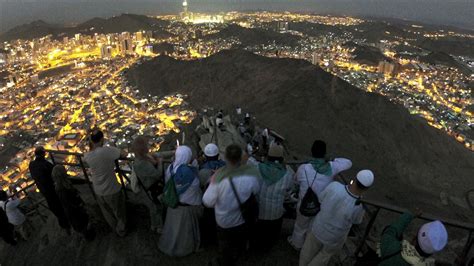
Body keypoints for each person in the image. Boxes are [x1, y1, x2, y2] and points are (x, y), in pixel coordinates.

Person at [299, 170, 374, 266]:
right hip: (334, 238)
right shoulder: (359, 206)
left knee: (308, 250)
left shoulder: (334, 186)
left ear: (355, 179)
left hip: (319, 227)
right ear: (366, 189)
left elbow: (320, 199)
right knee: (324, 256)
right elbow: (356, 221)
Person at [288, 140, 352, 250]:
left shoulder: (303, 168)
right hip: (319, 205)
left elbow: (296, 181)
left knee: (300, 225)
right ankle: (306, 247)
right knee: (312, 227)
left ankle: (296, 243)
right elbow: (348, 162)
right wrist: (331, 159)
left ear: (312, 152)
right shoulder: (331, 167)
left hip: (304, 203)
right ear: (324, 153)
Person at [203, 144, 260, 266]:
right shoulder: (250, 176)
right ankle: (238, 255)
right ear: (240, 159)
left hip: (224, 221)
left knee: (225, 246)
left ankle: (226, 261)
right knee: (238, 241)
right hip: (241, 219)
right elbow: (255, 190)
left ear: (225, 158)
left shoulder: (218, 178)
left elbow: (207, 201)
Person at [158, 145, 203, 257]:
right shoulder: (191, 174)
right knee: (186, 234)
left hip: (173, 205)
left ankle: (168, 245)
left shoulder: (170, 168)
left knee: (172, 231)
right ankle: (186, 249)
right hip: (187, 208)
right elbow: (196, 187)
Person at [84, 129, 127, 237]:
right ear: (102, 139)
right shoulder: (107, 151)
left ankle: (114, 230)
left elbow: (91, 151)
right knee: (119, 212)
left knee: (108, 214)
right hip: (111, 189)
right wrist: (115, 147)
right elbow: (124, 154)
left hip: (98, 190)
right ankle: (122, 231)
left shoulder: (87, 156)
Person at [252, 143, 294, 251]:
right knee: (272, 235)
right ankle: (268, 246)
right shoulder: (287, 174)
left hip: (259, 212)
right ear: (281, 159)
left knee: (258, 233)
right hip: (276, 214)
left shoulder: (257, 167)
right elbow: (289, 188)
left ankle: (257, 246)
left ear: (268, 156)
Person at [378, 213, 448, 265]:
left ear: (414, 239)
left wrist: (410, 215)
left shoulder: (391, 247)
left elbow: (390, 231)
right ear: (431, 253)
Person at [29, 147, 71, 232]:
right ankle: (67, 222)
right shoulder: (46, 165)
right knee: (61, 205)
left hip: (43, 190)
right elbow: (55, 174)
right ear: (43, 154)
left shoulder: (32, 164)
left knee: (54, 206)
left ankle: (64, 225)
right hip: (52, 189)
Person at [51, 165, 95, 241]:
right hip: (74, 211)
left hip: (75, 208)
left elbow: (75, 181)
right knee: (82, 223)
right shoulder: (61, 189)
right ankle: (88, 237)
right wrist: (79, 205)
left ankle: (87, 234)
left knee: (83, 221)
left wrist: (86, 181)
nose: (66, 171)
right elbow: (68, 202)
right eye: (64, 170)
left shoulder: (63, 182)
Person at [131, 136, 164, 233]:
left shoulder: (142, 157)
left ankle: (154, 225)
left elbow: (156, 155)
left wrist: (173, 152)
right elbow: (157, 174)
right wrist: (160, 163)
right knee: (156, 208)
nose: (148, 145)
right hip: (150, 188)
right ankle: (159, 228)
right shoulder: (142, 163)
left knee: (153, 208)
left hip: (148, 188)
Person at [198, 143, 226, 247]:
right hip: (223, 200)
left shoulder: (202, 170)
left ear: (205, 156)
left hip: (208, 201)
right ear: (218, 155)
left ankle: (208, 241)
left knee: (208, 221)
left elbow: (200, 185)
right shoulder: (225, 166)